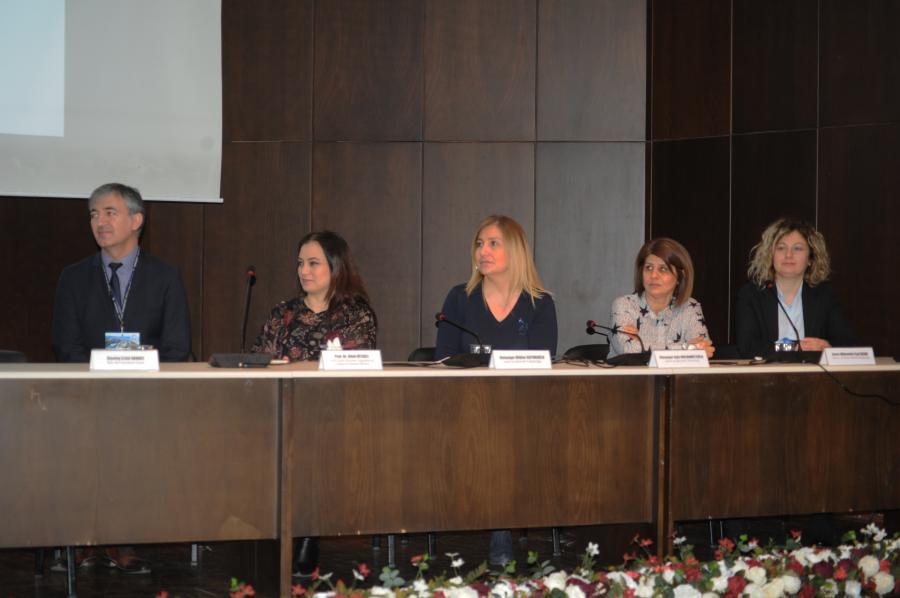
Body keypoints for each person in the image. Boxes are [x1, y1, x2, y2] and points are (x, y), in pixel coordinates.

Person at [51, 182, 192, 574]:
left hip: (145, 396)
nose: (100, 221)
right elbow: (65, 344)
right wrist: (101, 378)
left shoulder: (165, 276)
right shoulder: (73, 277)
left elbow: (178, 345)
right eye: (93, 214)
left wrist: (138, 378)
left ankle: (124, 540)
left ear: (136, 220)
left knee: (135, 458)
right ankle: (83, 540)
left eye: (109, 212)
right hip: (87, 394)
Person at [251, 230, 376, 577]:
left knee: (309, 442)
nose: (303, 271)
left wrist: (297, 367)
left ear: (336, 267)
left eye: (313, 263)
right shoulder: (283, 313)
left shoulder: (356, 314)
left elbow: (354, 368)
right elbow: (259, 360)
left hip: (332, 414)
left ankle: (306, 533)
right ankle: (270, 532)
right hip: (281, 409)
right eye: (300, 263)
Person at [434, 215, 557, 567]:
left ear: (515, 250)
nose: (482, 251)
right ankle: (500, 533)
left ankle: (501, 530)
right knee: (493, 431)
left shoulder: (539, 303)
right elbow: (444, 357)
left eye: (493, 244)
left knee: (507, 432)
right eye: (479, 244)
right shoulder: (460, 298)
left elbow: (543, 361)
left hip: (521, 406)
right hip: (466, 403)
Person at [735, 217, 856, 359]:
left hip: (813, 373)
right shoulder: (751, 295)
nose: (788, 255)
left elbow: (847, 343)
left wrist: (827, 347)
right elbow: (748, 347)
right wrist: (794, 347)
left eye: (797, 248)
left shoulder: (825, 295)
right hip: (767, 372)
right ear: (770, 256)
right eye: (781, 248)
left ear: (810, 259)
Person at [608, 238, 714, 359]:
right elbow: (628, 350)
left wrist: (641, 344)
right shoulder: (624, 305)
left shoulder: (690, 308)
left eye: (663, 269)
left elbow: (703, 351)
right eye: (648, 268)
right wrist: (686, 348)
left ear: (680, 276)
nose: (653, 275)